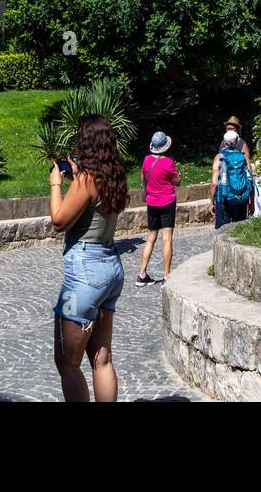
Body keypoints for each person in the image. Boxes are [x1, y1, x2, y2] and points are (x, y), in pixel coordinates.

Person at [50, 114, 130, 402]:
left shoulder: (85, 180)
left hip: (84, 273)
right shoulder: (115, 175)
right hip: (110, 266)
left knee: (67, 363)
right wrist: (76, 179)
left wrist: (56, 184)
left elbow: (59, 221)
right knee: (102, 358)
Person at [136, 131, 179, 286]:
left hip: (152, 203)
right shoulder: (168, 162)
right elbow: (177, 182)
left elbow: (143, 179)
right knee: (167, 238)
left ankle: (142, 274)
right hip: (167, 201)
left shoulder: (146, 160)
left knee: (151, 237)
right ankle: (167, 274)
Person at [211, 128, 255, 229]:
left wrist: (212, 202)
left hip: (223, 198)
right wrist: (252, 202)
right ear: (237, 142)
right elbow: (250, 181)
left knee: (222, 230)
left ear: (224, 142)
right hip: (242, 198)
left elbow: (214, 183)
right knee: (239, 230)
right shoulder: (244, 158)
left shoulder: (219, 157)